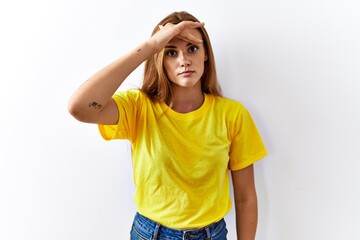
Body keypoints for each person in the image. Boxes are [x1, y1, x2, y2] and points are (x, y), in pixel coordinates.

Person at [68, 11, 267, 240]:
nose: (184, 60)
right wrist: (152, 46)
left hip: (212, 235)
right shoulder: (138, 107)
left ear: (205, 55)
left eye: (192, 48)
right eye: (171, 52)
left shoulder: (232, 115)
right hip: (149, 234)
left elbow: (245, 197)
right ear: (159, 58)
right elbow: (79, 107)